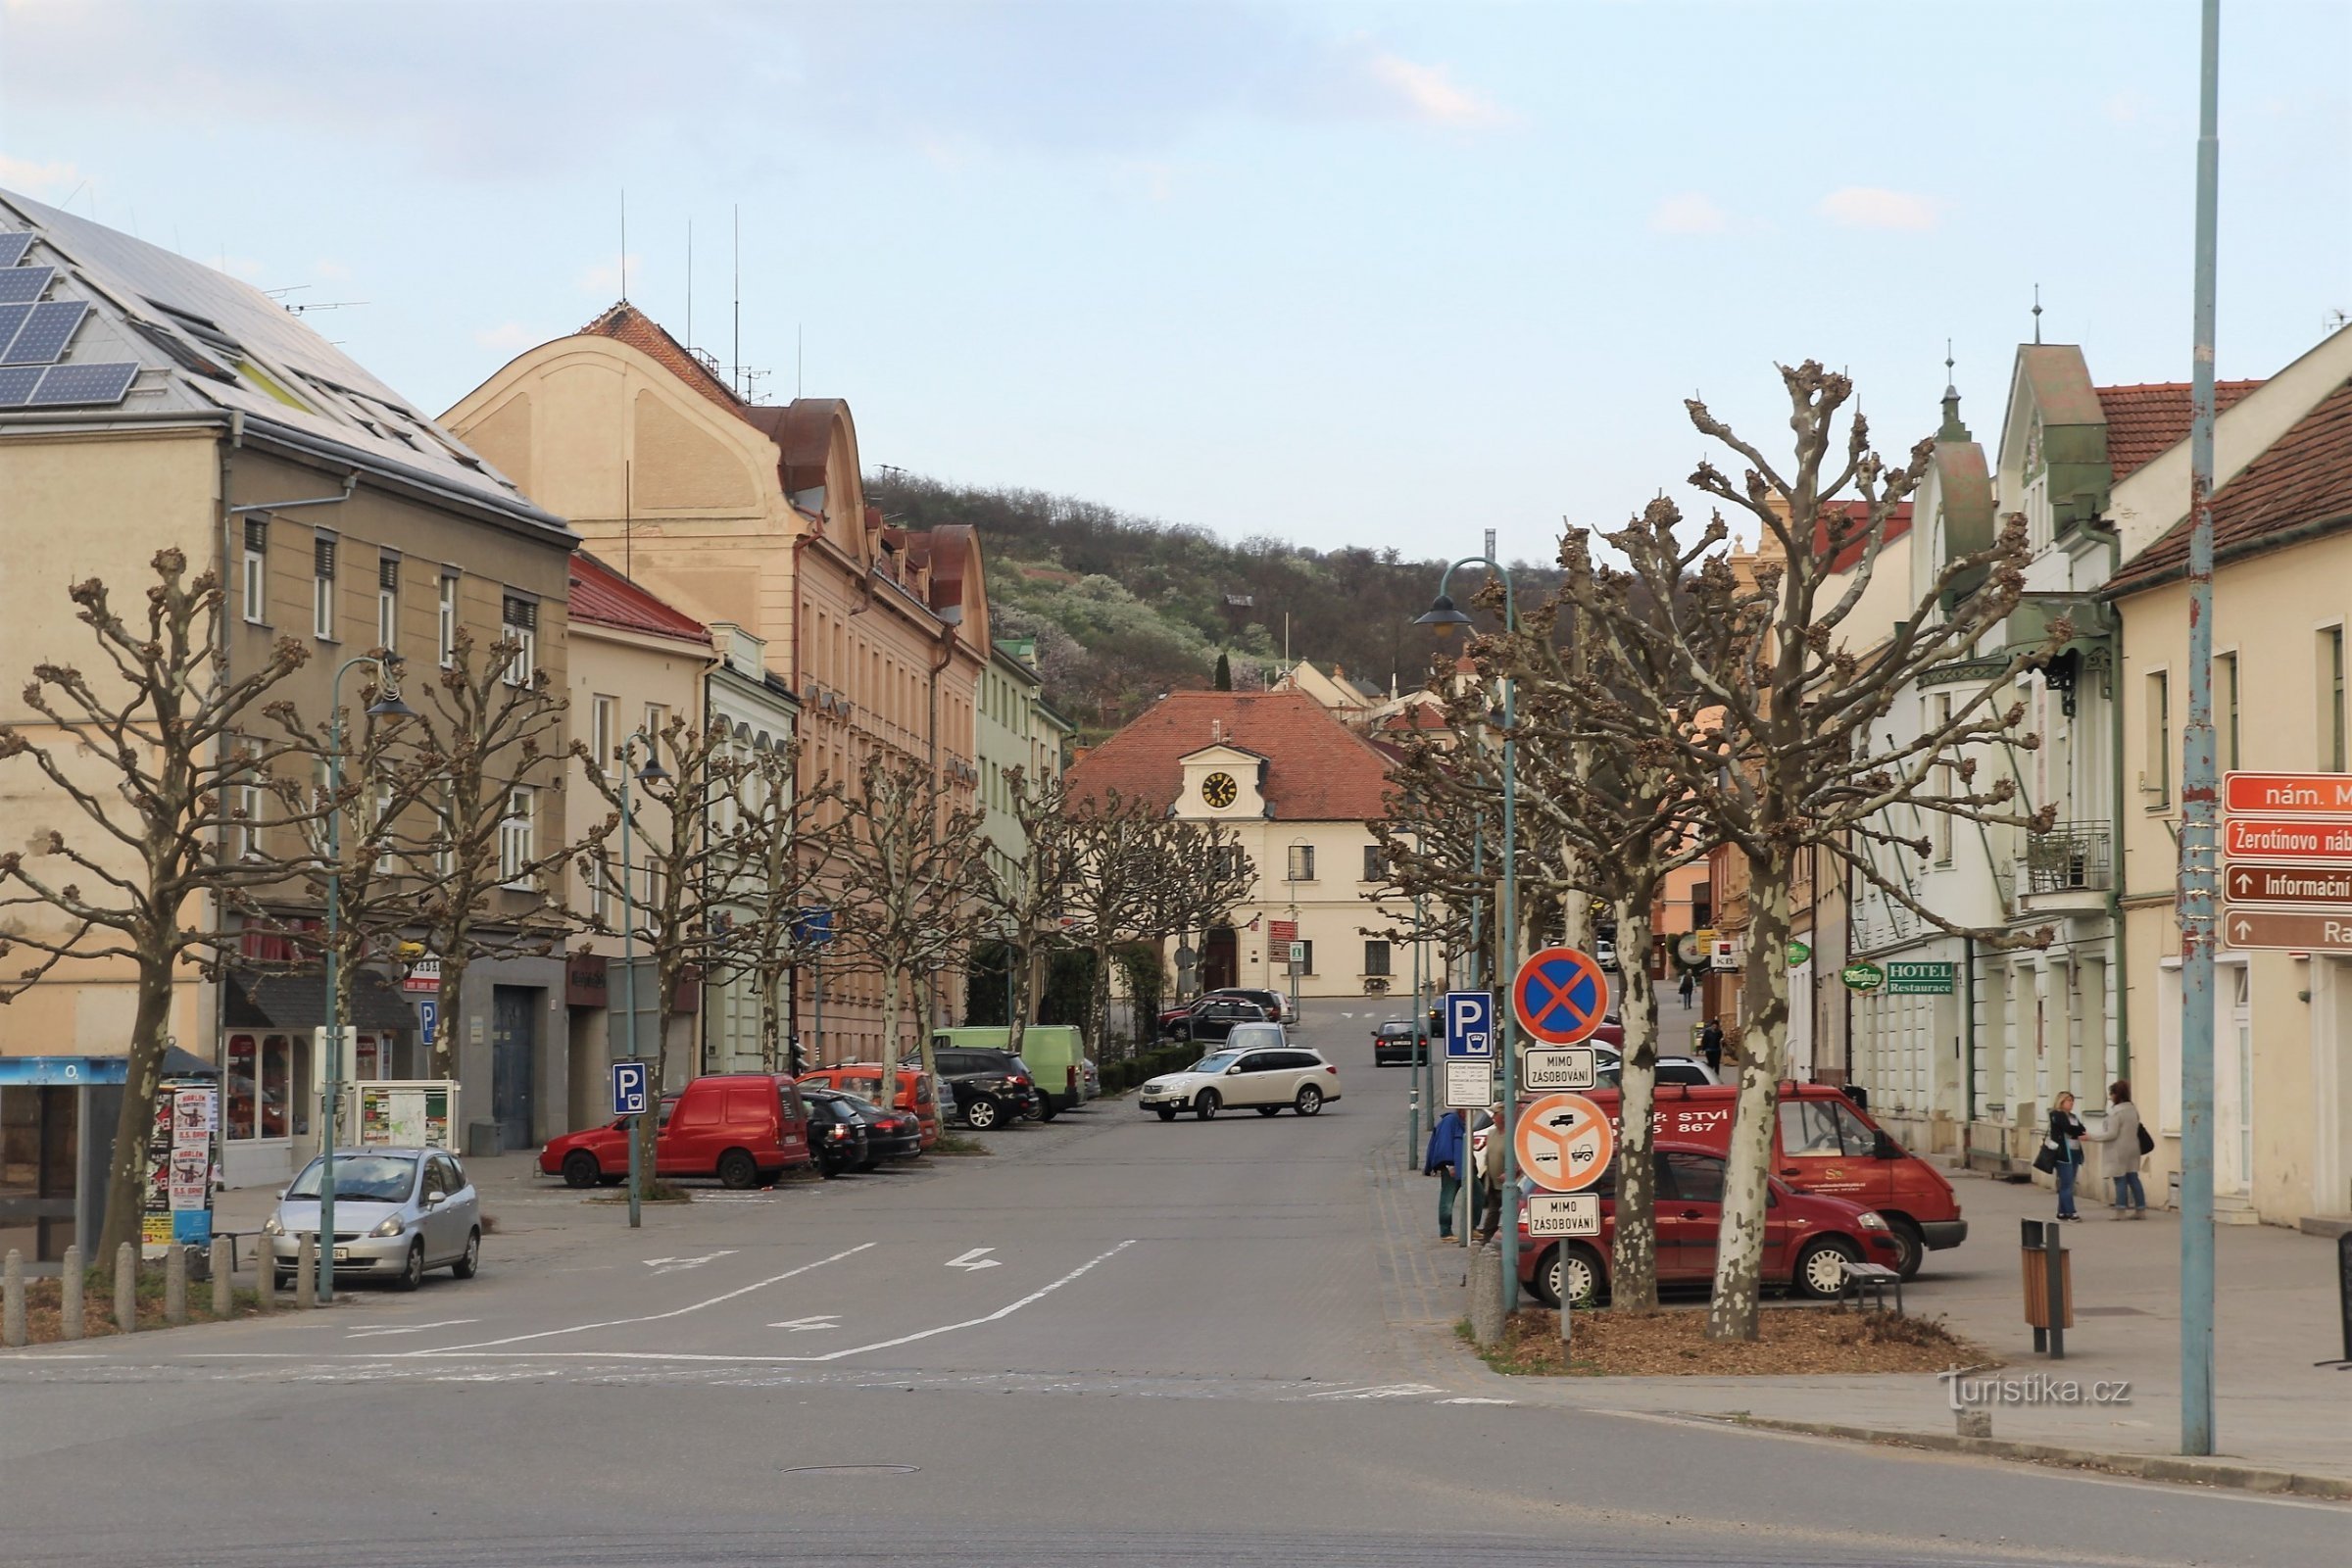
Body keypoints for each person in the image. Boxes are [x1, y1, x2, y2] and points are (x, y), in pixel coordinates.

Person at [2084, 1080, 2148, 1219]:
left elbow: (2111, 1134)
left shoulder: (2115, 1113)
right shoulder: (2133, 1109)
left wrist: (2090, 1137)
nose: (2110, 1097)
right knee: (2133, 1178)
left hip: (2118, 1150)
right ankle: (2140, 1209)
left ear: (2115, 1095)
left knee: (2120, 1179)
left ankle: (2120, 1211)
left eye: (2111, 1094)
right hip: (2133, 1147)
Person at [1423, 1107, 1473, 1242]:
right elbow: (1444, 1145)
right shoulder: (1450, 1121)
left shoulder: (1464, 1122)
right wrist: (1449, 1165)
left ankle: (1471, 1228)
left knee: (1477, 1194)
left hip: (1465, 1168)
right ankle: (1445, 1232)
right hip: (1452, 1168)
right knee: (1448, 1199)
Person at [2046, 1092, 2088, 1221]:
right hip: (2063, 1153)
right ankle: (2071, 1212)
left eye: (2072, 1101)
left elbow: (2082, 1129)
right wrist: (2077, 1132)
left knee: (2069, 1183)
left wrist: (2077, 1132)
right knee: (2066, 1183)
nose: (2071, 1103)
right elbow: (2068, 1129)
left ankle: (2062, 1212)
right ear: (2061, 1102)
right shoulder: (2056, 1115)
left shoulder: (2073, 1116)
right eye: (2068, 1100)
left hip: (2075, 1151)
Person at [1474, 1102, 1507, 1244]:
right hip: (1493, 1182)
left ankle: (1508, 1241)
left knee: (1508, 1213)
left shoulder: (1512, 1134)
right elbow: (1488, 1155)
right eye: (1493, 1114)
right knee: (1492, 1212)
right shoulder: (1491, 1133)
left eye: (1496, 1115)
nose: (1493, 1117)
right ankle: (1487, 1238)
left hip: (1508, 1184)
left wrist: (1510, 1172)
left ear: (1504, 1117)